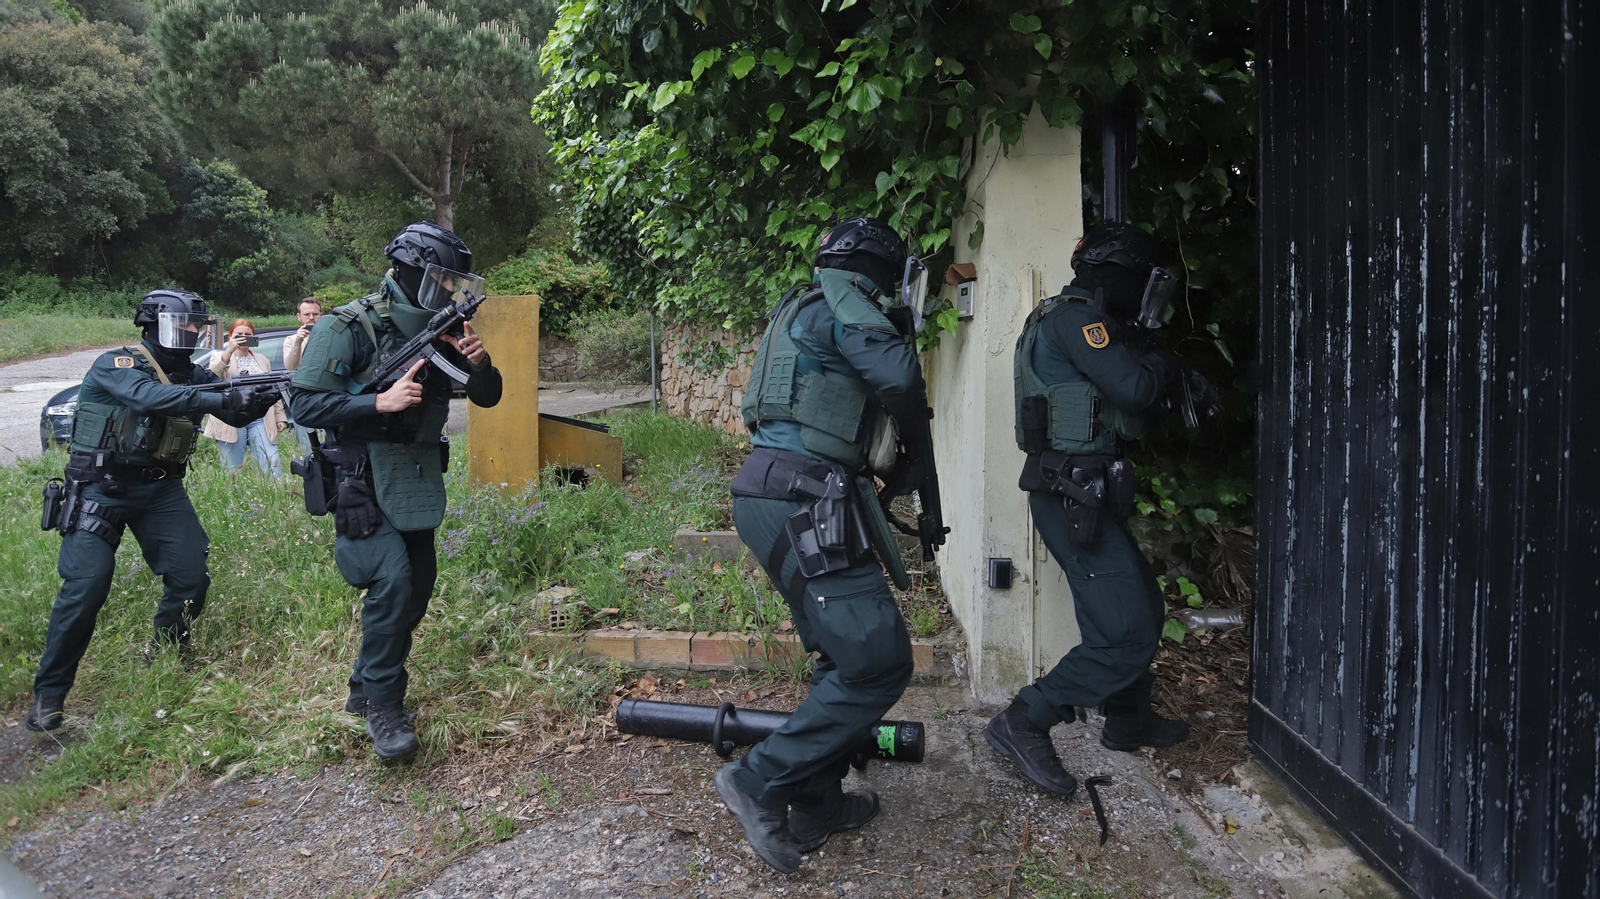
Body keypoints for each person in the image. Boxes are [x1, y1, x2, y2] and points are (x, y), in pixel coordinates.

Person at [719, 217, 928, 873]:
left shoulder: (805, 307)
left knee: (843, 653)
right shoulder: (842, 298)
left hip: (776, 491)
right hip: (804, 497)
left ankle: (817, 798)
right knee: (879, 659)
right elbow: (899, 377)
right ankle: (756, 779)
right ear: (875, 272)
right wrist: (897, 331)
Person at [984, 222, 1193, 799]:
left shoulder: (1072, 319)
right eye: (1141, 279)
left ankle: (1127, 718)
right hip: (1073, 494)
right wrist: (1166, 362)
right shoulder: (1079, 322)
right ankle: (1026, 719)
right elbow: (1134, 389)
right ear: (1120, 273)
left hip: (1084, 491)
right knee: (1126, 631)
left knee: (1138, 603)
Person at [288, 221, 501, 761]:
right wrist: (376, 403)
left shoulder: (441, 326)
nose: (449, 289)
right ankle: (385, 706)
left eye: (454, 281)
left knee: (418, 586)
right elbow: (303, 404)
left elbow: (489, 397)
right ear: (411, 270)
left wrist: (480, 363)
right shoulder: (346, 325)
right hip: (359, 476)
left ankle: (364, 687)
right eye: (442, 278)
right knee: (392, 581)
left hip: (414, 474)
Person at [26, 290, 278, 732]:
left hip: (160, 490)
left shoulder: (192, 372)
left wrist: (259, 396)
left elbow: (233, 414)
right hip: (100, 489)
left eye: (198, 325)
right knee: (85, 587)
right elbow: (149, 398)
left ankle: (165, 654)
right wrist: (221, 399)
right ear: (155, 325)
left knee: (190, 576)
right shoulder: (118, 364)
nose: (193, 332)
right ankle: (50, 693)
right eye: (185, 325)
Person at [203, 318, 287, 477]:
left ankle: (272, 490)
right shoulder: (219, 356)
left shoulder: (263, 360)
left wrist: (280, 417)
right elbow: (212, 375)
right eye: (238, 334)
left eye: (247, 335)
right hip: (231, 417)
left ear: (254, 336)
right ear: (230, 336)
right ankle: (233, 491)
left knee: (271, 462)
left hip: (260, 417)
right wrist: (229, 350)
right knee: (232, 467)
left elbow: (273, 389)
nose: (243, 338)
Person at [282, 297, 322, 449]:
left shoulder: (331, 336)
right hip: (304, 393)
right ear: (299, 316)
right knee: (307, 442)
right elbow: (290, 366)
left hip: (328, 392)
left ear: (321, 315)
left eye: (315, 314)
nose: (311, 318)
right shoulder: (291, 340)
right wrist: (299, 341)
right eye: (307, 314)